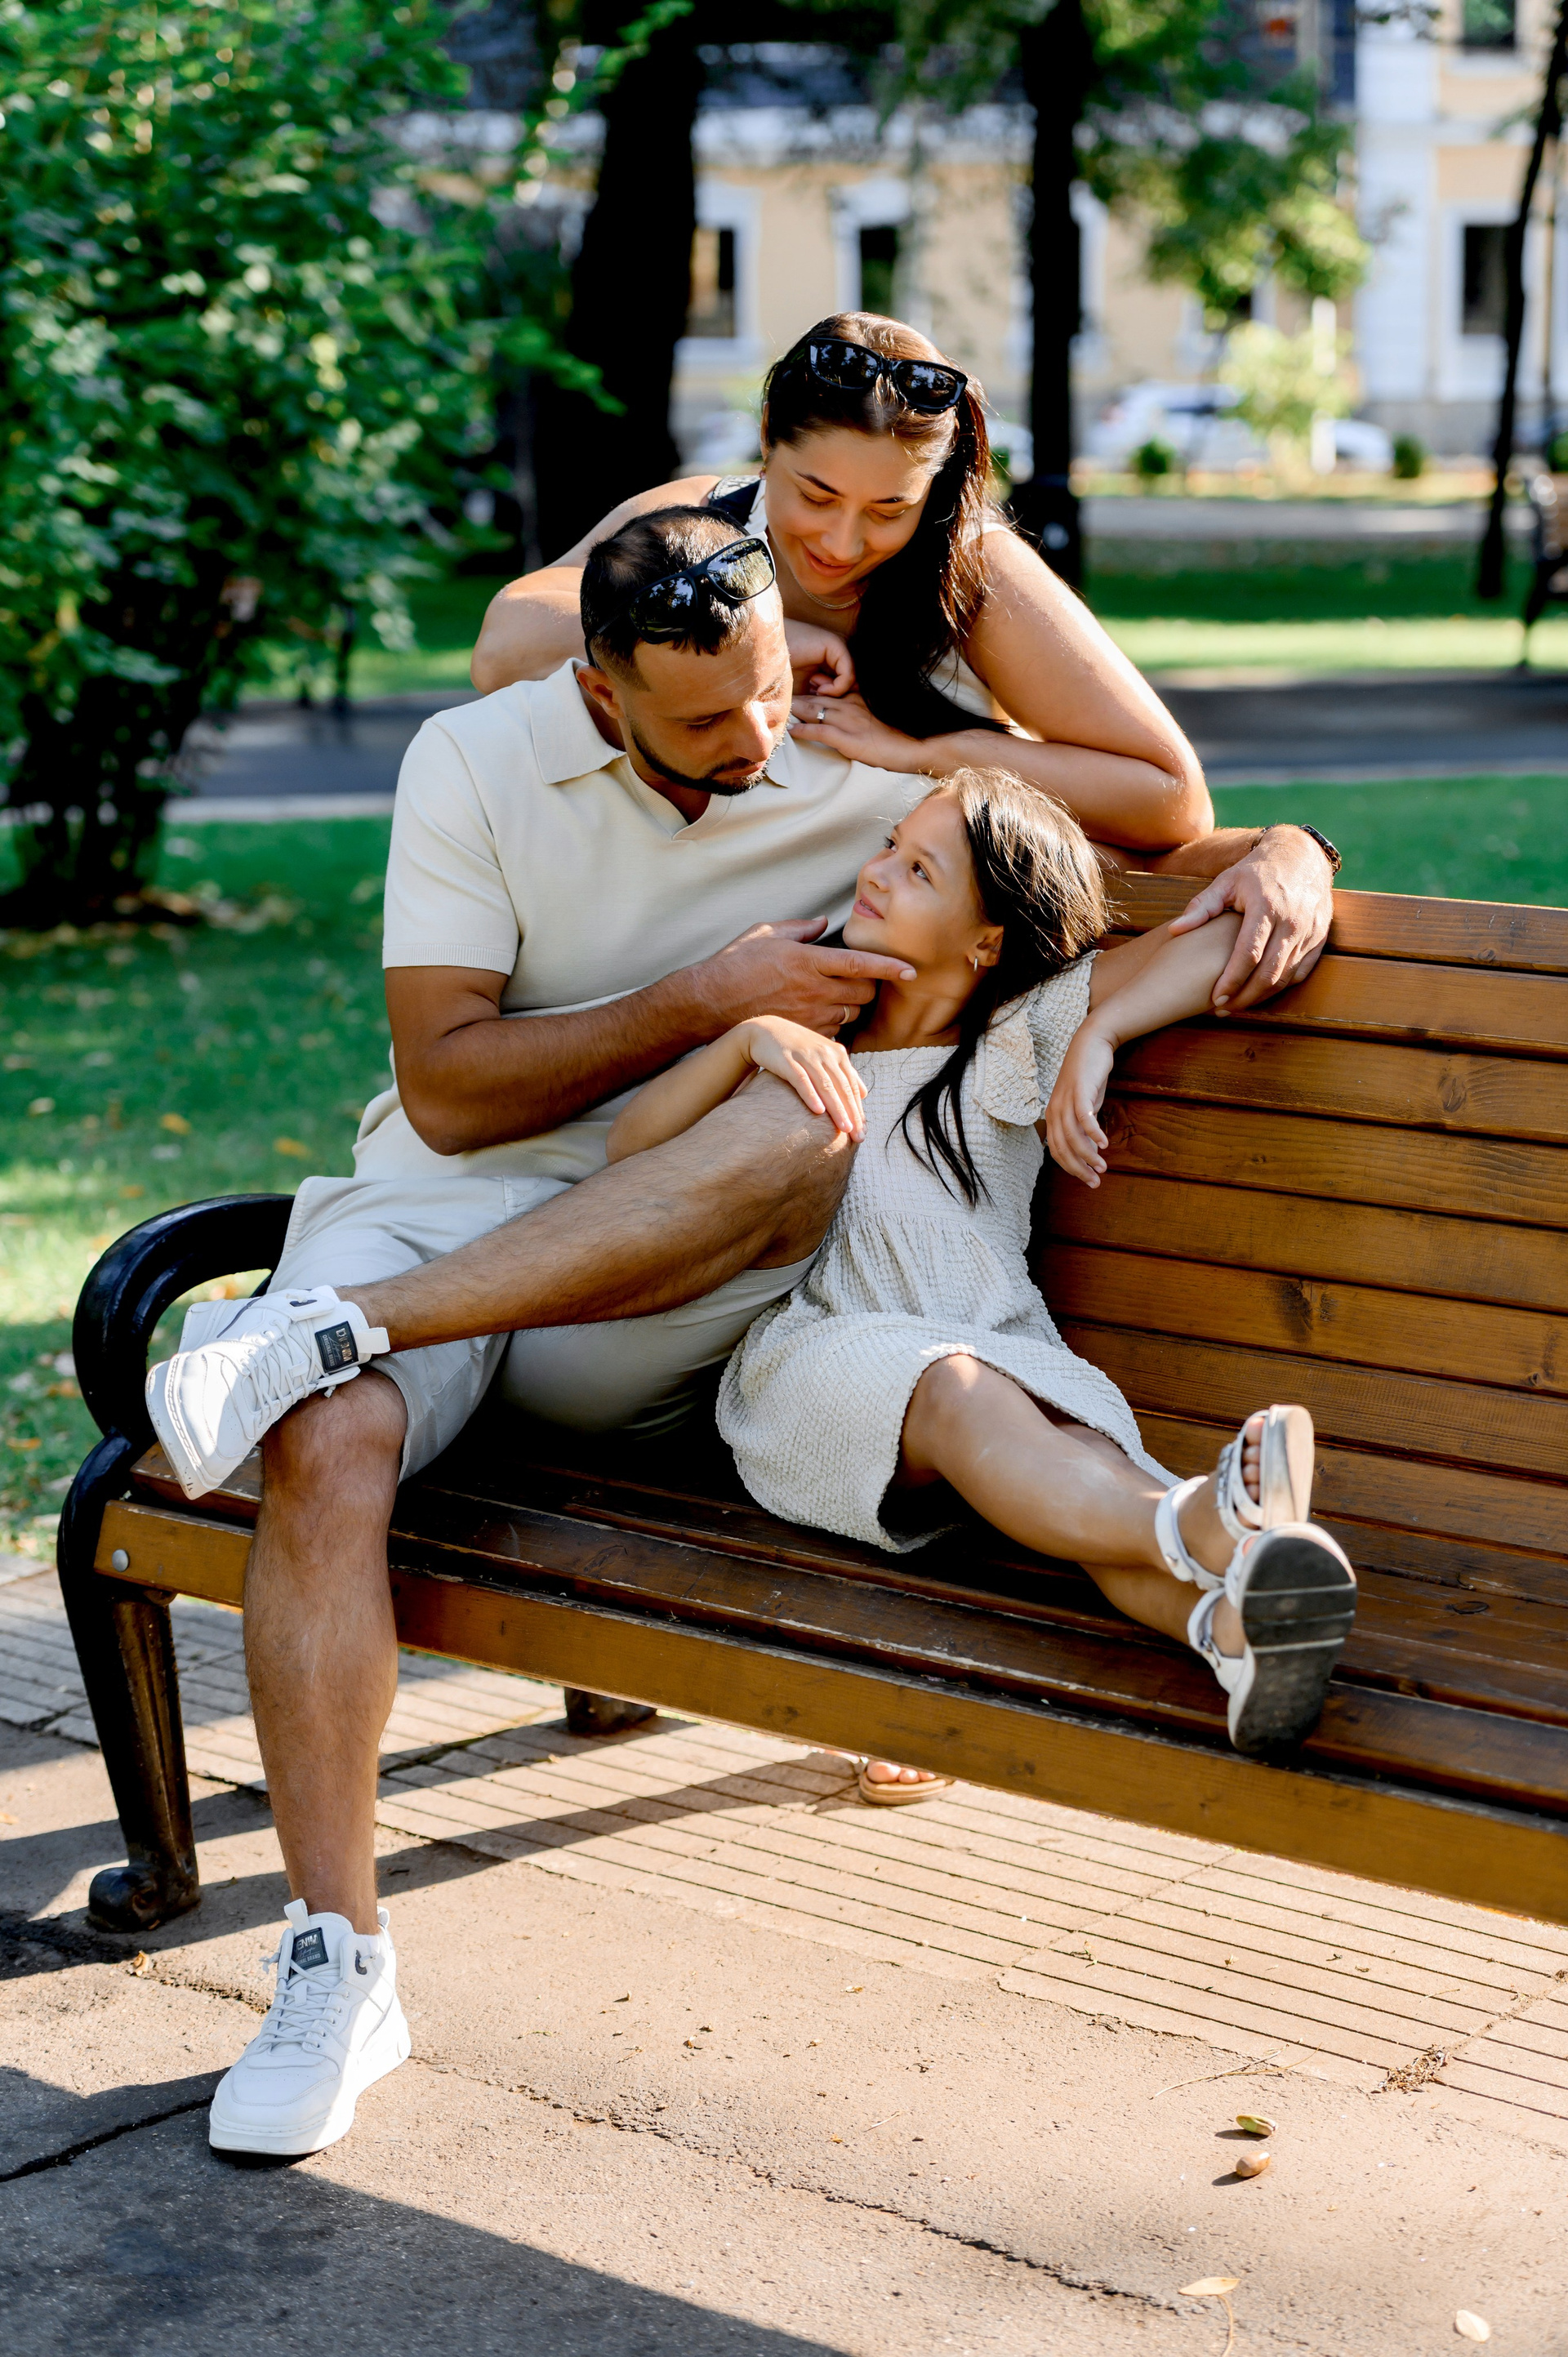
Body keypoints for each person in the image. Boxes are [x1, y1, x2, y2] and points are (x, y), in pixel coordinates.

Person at [148, 506, 1331, 2159]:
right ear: (601, 693)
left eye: (776, 690)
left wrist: (1294, 853)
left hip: (663, 1284)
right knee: (325, 1439)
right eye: (711, 721)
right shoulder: (472, 764)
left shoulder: (853, 776)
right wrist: (719, 1001)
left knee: (807, 1127)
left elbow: (1141, 820)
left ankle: (324, 1327)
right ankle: (337, 1969)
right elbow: (449, 1091)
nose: (763, 743)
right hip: (453, 1207)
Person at [606, 767, 1358, 1797]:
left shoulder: (1015, 1041)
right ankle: (1206, 1522)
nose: (877, 874)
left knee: (1091, 1458)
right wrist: (749, 1038)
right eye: (891, 847)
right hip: (819, 1368)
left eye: (920, 871)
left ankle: (1230, 1627)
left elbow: (1228, 938)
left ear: (986, 943)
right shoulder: (810, 1038)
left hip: (1000, 1348)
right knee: (958, 1391)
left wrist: (1102, 1030)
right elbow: (633, 1158)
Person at [471, 309, 1341, 1014]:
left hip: (905, 993)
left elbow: (1168, 799)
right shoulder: (705, 527)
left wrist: (923, 753)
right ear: (768, 438)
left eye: (889, 509)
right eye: (815, 495)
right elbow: (505, 646)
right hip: (700, 961)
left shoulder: (973, 572)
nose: (842, 543)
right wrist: (764, 637)